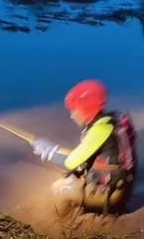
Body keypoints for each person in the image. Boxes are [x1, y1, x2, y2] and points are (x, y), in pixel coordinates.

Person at [31, 80, 137, 214]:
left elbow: (70, 163)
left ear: (87, 110)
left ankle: (66, 224)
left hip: (112, 195)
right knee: (71, 176)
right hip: (123, 185)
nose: (72, 115)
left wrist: (49, 152)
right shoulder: (112, 120)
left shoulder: (100, 130)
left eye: (74, 110)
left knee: (58, 188)